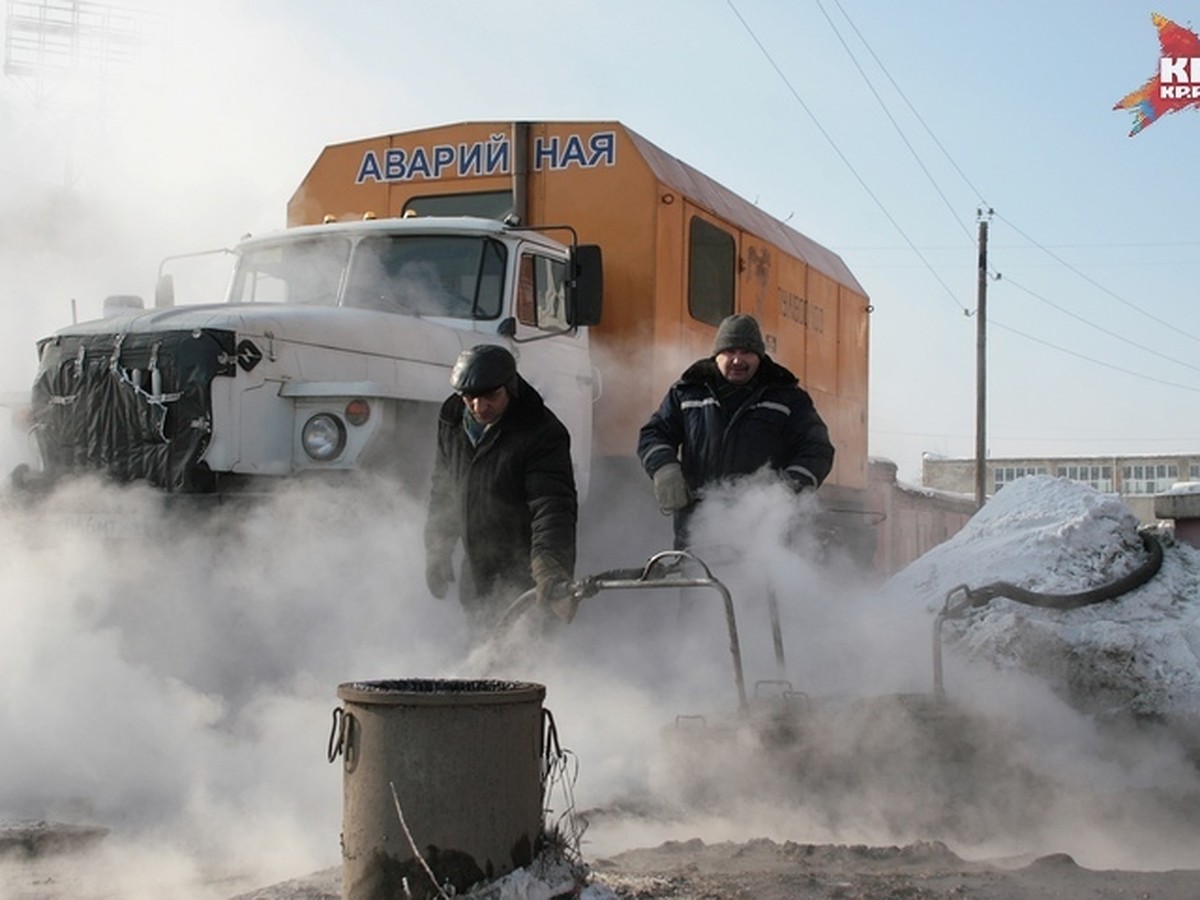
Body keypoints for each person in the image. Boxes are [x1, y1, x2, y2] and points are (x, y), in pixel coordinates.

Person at [637, 313, 835, 549]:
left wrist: (786, 491)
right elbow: (655, 433)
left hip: (765, 532)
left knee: (754, 584)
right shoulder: (687, 392)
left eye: (747, 352)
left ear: (760, 357)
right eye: (730, 351)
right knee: (700, 584)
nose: (737, 360)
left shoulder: (787, 397)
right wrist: (664, 468)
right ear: (716, 355)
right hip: (698, 528)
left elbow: (817, 448)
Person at [424, 344, 577, 635]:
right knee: (481, 660)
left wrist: (550, 565)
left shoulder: (542, 432)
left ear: (511, 387)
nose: (480, 408)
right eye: (470, 398)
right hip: (477, 575)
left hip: (527, 578)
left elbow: (552, 505)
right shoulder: (453, 422)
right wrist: (437, 546)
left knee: (526, 665)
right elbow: (443, 489)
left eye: (491, 396)